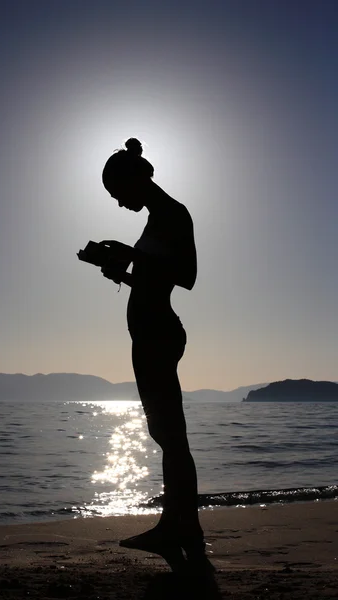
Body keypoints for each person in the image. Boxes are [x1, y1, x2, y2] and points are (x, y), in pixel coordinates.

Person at [99, 138, 204, 565]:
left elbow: (188, 276)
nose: (120, 205)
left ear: (136, 180)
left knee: (172, 436)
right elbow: (153, 280)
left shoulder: (173, 215)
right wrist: (121, 271)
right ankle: (178, 525)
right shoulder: (157, 219)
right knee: (166, 434)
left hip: (159, 334)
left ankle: (182, 527)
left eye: (119, 194)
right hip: (149, 334)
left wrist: (130, 254)